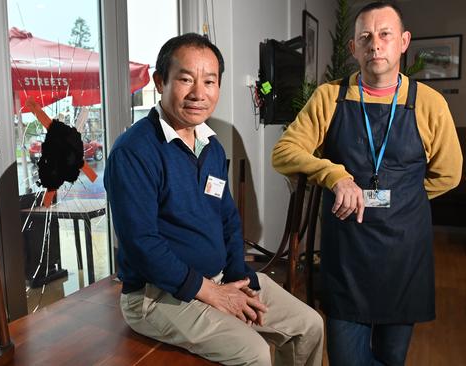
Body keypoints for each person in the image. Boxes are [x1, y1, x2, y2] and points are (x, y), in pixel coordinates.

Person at [104, 33, 324, 366]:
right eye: (185, 79)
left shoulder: (211, 145)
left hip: (221, 278)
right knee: (255, 354)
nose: (199, 93)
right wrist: (212, 293)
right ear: (160, 81)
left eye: (210, 81)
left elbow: (228, 219)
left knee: (309, 326)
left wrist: (238, 276)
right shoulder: (133, 152)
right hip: (156, 295)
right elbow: (141, 244)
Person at [272, 2, 462, 365]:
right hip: (346, 256)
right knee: (346, 358)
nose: (375, 44)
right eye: (366, 37)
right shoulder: (329, 97)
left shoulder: (429, 104)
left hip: (404, 257)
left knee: (392, 358)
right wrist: (335, 176)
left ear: (403, 42)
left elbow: (449, 174)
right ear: (353, 48)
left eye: (385, 34)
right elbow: (284, 152)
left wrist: (404, 199)